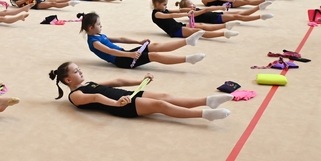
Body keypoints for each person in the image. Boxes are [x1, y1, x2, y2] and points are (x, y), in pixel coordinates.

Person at [49, 63, 231, 121]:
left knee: (165, 96)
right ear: (68, 80)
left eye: (79, 68)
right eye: (76, 71)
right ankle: (205, 114)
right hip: (123, 106)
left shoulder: (88, 83)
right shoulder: (75, 96)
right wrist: (117, 103)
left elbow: (116, 81)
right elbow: (97, 97)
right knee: (161, 105)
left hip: (127, 95)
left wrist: (141, 80)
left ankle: (208, 100)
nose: (80, 71)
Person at [77, 12, 205, 69]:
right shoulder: (94, 42)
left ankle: (188, 41)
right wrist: (130, 54)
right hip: (122, 61)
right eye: (99, 24)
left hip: (125, 54)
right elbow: (111, 51)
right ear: (90, 27)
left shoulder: (99, 35)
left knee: (153, 46)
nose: (101, 26)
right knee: (153, 56)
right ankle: (188, 59)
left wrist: (138, 42)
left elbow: (120, 39)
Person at [150, 0, 240, 40]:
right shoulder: (157, 14)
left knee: (201, 25)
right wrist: (186, 14)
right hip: (175, 31)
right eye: (164, 4)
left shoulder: (163, 10)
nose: (166, 6)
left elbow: (179, 10)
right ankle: (224, 34)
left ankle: (226, 26)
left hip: (178, 25)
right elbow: (173, 15)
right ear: (157, 4)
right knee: (199, 31)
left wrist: (188, 10)